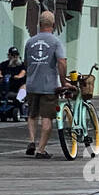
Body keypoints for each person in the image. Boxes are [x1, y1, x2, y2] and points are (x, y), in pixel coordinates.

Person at [23, 11, 68, 159]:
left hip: (31, 85)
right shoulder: (55, 42)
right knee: (47, 118)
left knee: (32, 114)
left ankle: (31, 141)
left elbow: (26, 63)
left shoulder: (30, 42)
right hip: (49, 87)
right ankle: (41, 150)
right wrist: (63, 81)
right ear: (53, 25)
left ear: (39, 24)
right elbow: (61, 62)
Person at [0, 47, 26, 114]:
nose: (14, 57)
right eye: (12, 55)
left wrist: (18, 76)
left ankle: (18, 100)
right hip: (4, 84)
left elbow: (23, 73)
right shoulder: (3, 64)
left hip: (17, 85)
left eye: (16, 55)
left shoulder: (22, 65)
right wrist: (0, 76)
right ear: (9, 55)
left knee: (24, 86)